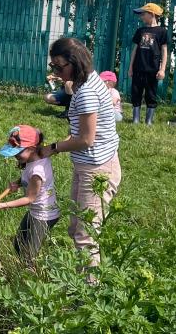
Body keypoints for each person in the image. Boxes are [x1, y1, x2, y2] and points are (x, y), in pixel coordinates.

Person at [40, 37, 120, 271]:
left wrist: (53, 148)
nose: (56, 72)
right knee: (76, 227)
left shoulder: (86, 92)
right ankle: (82, 281)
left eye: (59, 66)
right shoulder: (87, 83)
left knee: (86, 236)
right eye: (53, 66)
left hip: (97, 170)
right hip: (88, 165)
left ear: (75, 62)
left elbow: (86, 139)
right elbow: (80, 131)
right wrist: (56, 147)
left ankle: (87, 290)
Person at [0, 125, 60, 264]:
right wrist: (18, 183)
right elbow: (29, 178)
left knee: (29, 255)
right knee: (19, 244)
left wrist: (3, 205)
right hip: (35, 212)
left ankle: (28, 274)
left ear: (32, 148)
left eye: (18, 152)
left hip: (44, 216)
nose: (15, 156)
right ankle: (20, 269)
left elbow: (30, 198)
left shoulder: (37, 172)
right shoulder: (34, 158)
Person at [127, 2, 167, 125]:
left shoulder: (162, 31)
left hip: (152, 70)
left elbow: (164, 51)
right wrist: (130, 67)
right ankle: (136, 119)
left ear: (152, 14)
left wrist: (162, 69)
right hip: (138, 68)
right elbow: (135, 50)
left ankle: (148, 120)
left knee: (151, 94)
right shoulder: (140, 31)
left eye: (143, 14)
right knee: (136, 93)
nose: (141, 17)